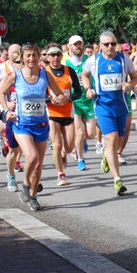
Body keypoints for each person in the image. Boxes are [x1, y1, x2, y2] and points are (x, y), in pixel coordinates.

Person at [0, 43, 67, 210]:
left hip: (41, 124)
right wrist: (6, 109)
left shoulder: (45, 75)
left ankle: (33, 196)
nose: (31, 59)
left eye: (34, 55)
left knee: (38, 164)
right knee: (32, 157)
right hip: (22, 125)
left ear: (39, 57)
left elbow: (60, 94)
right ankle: (26, 186)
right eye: (27, 55)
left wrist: (60, 99)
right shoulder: (15, 76)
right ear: (22, 58)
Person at [82, 31, 137, 195]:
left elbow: (135, 77)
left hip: (120, 106)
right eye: (106, 44)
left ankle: (108, 155)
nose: (110, 47)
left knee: (117, 141)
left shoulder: (123, 60)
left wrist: (129, 85)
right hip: (102, 107)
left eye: (112, 44)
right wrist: (88, 89)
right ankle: (117, 179)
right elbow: (85, 75)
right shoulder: (93, 61)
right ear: (100, 46)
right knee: (111, 139)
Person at [0, 44, 24, 192]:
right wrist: (0, 104)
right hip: (8, 112)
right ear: (8, 54)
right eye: (14, 53)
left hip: (26, 116)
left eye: (19, 53)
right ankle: (10, 176)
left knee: (28, 150)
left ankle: (30, 181)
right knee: (12, 150)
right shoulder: (3, 71)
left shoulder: (30, 70)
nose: (17, 55)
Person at [44, 43, 82, 186]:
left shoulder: (69, 71)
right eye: (52, 55)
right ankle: (61, 175)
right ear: (48, 57)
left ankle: (64, 154)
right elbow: (40, 93)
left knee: (69, 146)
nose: (55, 58)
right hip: (52, 112)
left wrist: (68, 98)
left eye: (58, 55)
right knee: (57, 145)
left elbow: (78, 92)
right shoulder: (45, 72)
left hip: (67, 112)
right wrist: (50, 99)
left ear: (61, 56)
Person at [65, 35, 96, 172]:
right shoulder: (66, 64)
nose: (78, 46)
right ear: (69, 46)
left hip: (89, 101)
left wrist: (92, 90)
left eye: (80, 43)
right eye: (75, 44)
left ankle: (83, 141)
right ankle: (80, 159)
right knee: (80, 132)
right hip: (75, 102)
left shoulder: (89, 61)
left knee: (90, 135)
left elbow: (94, 78)